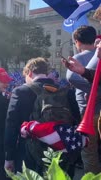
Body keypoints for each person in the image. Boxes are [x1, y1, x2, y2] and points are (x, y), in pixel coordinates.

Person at [4, 57, 79, 176]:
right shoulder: (67, 92)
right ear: (47, 73)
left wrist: (9, 157)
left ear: (29, 73)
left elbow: (11, 126)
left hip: (30, 155)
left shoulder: (20, 92)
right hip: (63, 153)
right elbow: (77, 123)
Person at [66, 25, 101, 174]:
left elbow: (71, 77)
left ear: (77, 42)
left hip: (89, 112)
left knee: (89, 153)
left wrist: (96, 92)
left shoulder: (78, 58)